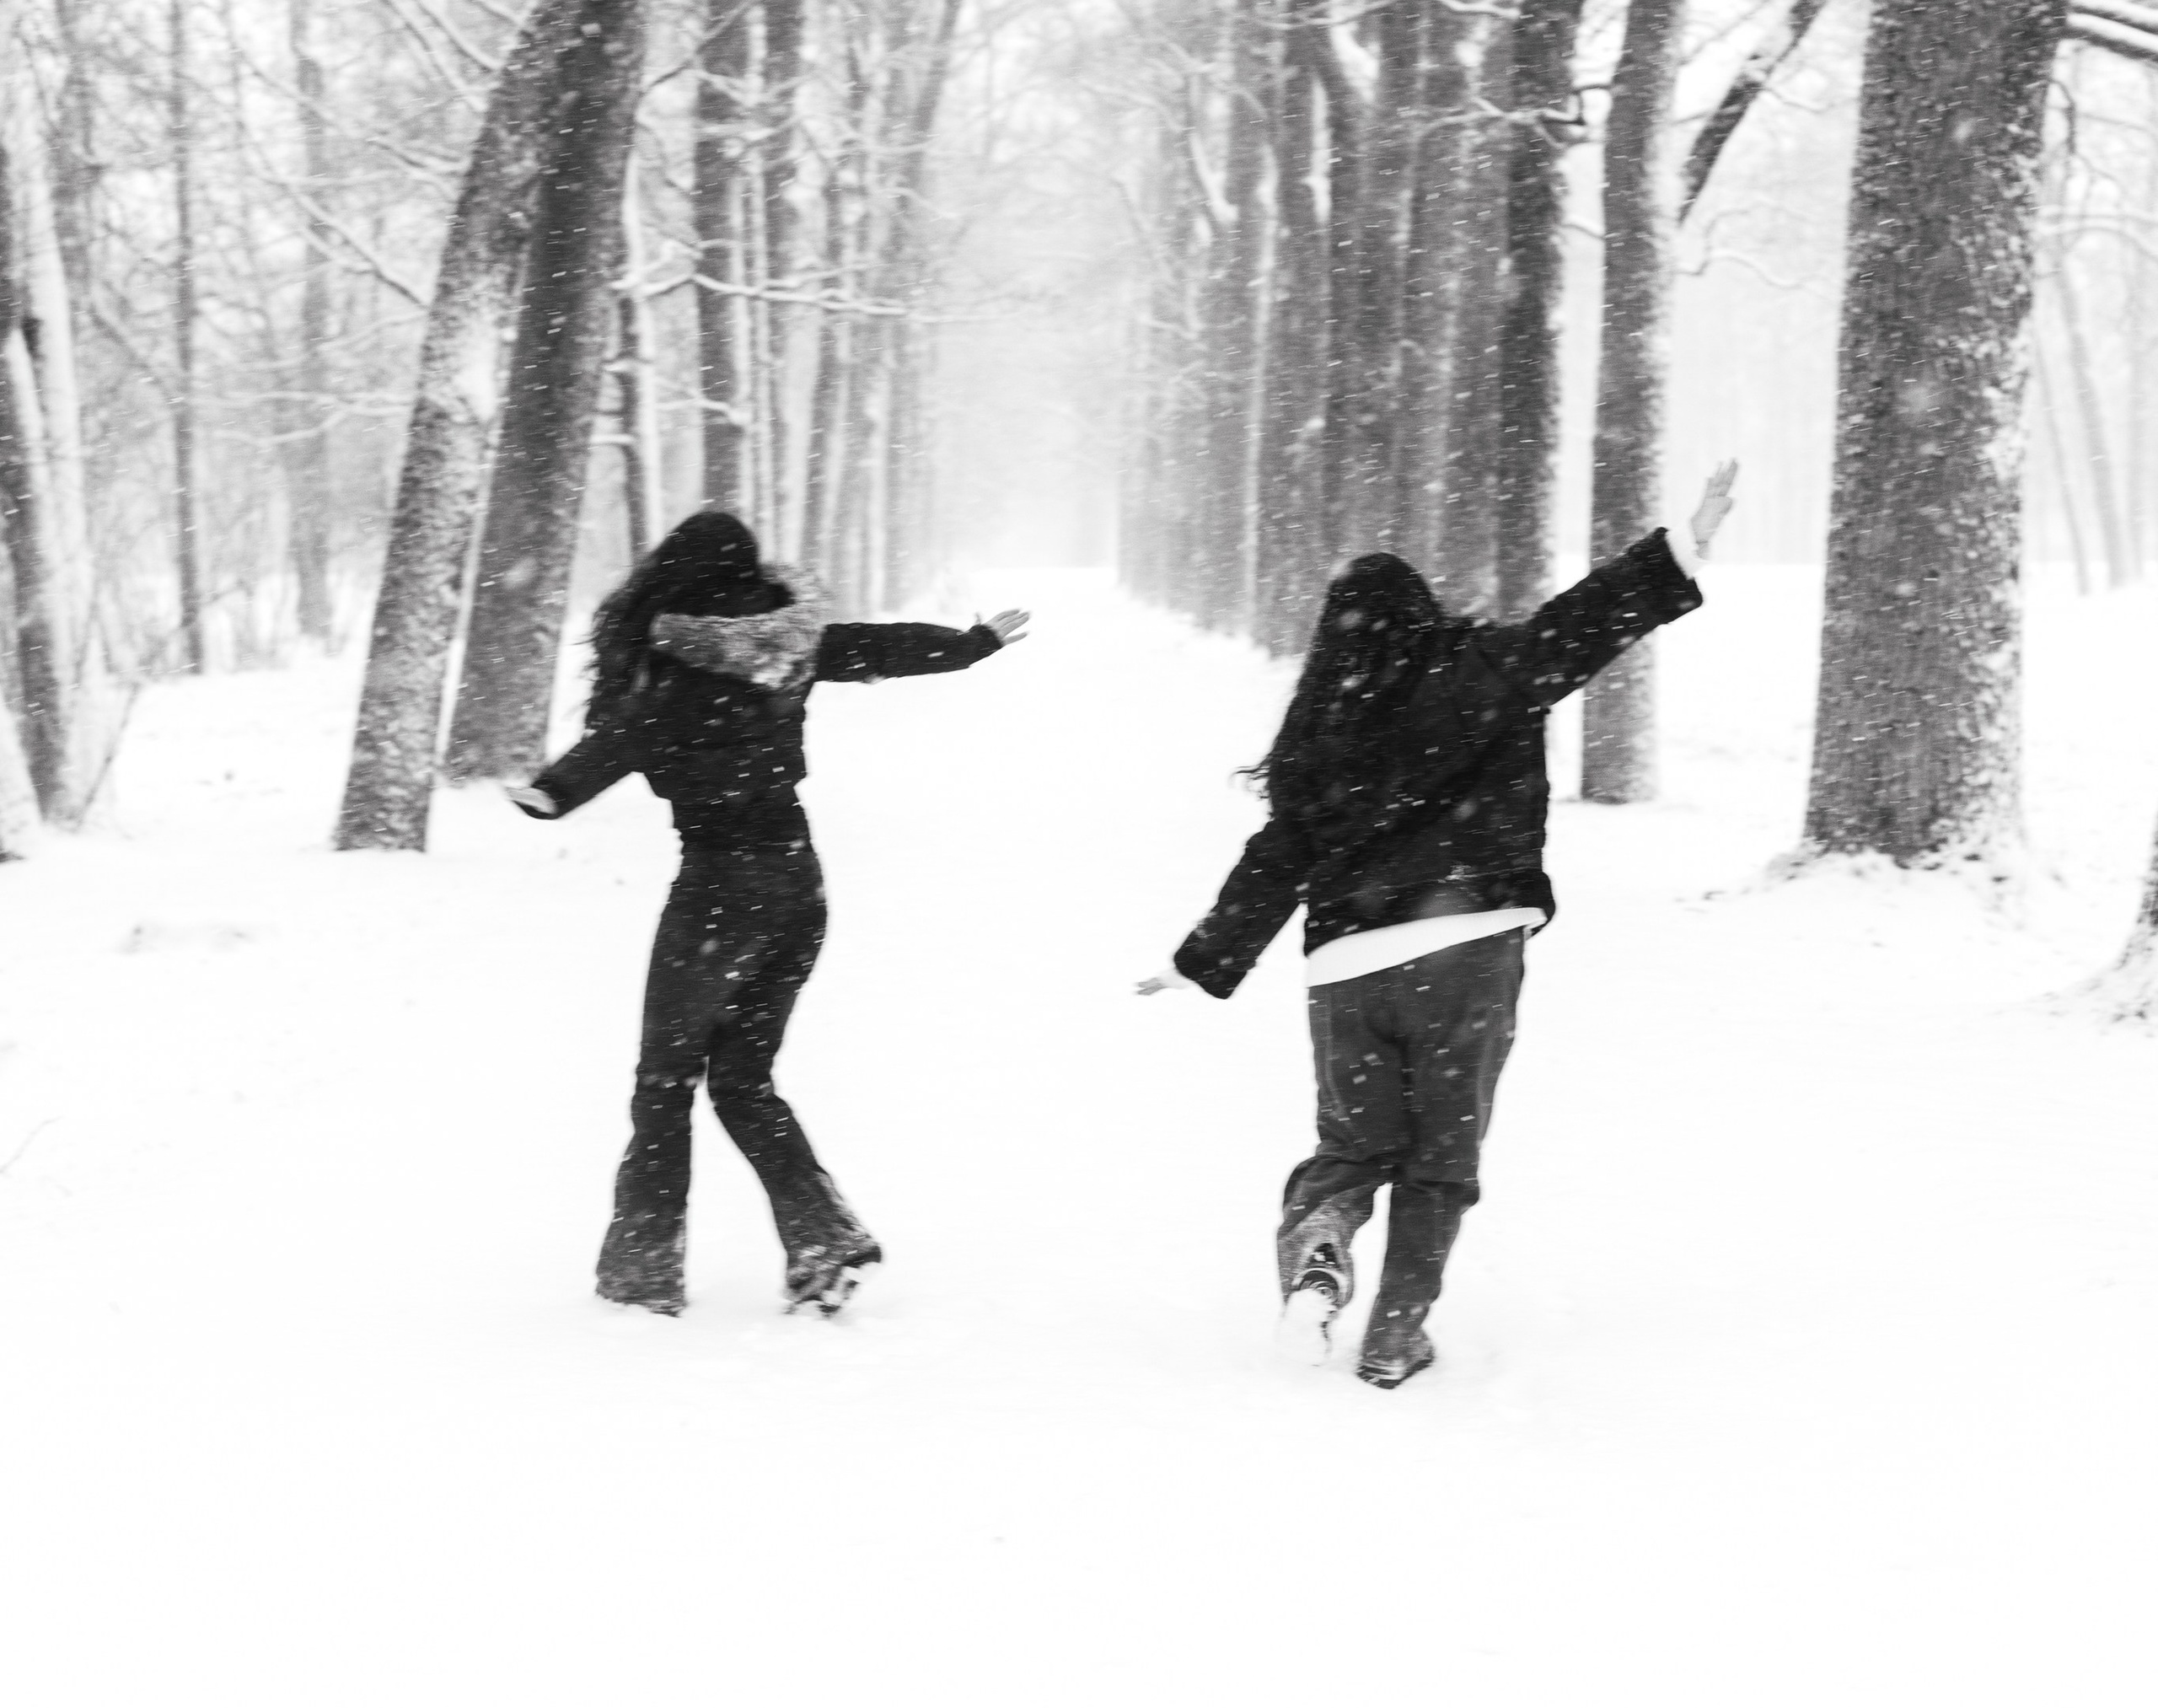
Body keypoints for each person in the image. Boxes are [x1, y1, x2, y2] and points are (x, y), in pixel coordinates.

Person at [1138, 467, 1737, 1390]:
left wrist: (1200, 959)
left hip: (1346, 964)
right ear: (1422, 611)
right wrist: (1680, 548)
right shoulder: (1486, 669)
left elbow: (1279, 855)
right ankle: (1393, 1338)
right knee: (1440, 1159)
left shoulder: (1316, 732)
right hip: (1466, 946)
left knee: (1351, 1147)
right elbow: (1581, 625)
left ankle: (1319, 1257)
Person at [510, 508, 1028, 1319]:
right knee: (744, 1079)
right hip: (798, 887)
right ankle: (825, 1240)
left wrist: (551, 793)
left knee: (665, 1082)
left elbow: (618, 741)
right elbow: (882, 646)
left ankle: (644, 1268)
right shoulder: (792, 645)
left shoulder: (672, 666)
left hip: (719, 889)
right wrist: (971, 644)